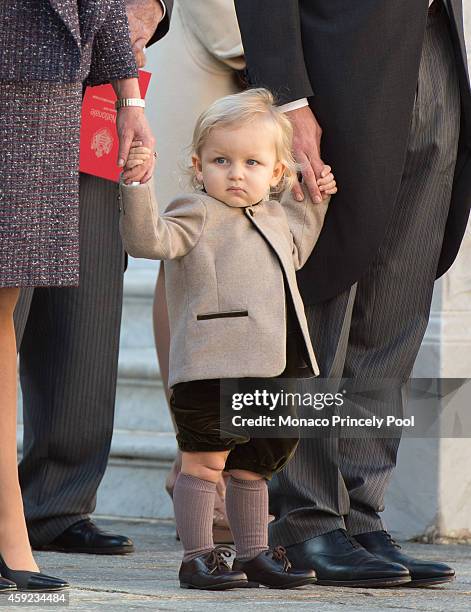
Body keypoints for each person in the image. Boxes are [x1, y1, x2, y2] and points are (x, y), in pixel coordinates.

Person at [234, 0, 470, 588]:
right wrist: (288, 97)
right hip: (333, 71)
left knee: (397, 302)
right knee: (322, 291)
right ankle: (307, 520)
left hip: (435, 48)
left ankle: (361, 514)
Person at [119, 88, 340, 590]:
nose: (236, 172)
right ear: (198, 167)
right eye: (222, 160)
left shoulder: (277, 215)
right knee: (205, 461)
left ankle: (254, 553)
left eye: (252, 162)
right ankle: (198, 556)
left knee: (254, 466)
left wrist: (316, 198)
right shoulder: (194, 212)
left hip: (275, 364)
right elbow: (149, 240)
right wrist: (137, 186)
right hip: (213, 362)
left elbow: (298, 250)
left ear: (277, 174)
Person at [0, 0, 155, 590]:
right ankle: (11, 535)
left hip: (48, 93)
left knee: (3, 312)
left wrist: (128, 97)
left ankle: (13, 533)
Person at [148, 0, 245, 542]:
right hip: (216, 78)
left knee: (251, 271)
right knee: (191, 263)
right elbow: (222, 22)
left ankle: (216, 467)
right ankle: (199, 463)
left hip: (264, 92)